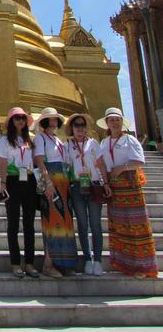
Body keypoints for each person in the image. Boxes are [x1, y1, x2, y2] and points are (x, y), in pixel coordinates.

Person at [98, 107, 158, 279]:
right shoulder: (105, 142)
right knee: (119, 225)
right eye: (111, 120)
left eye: (117, 119)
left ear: (121, 122)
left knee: (136, 224)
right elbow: (102, 163)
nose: (115, 123)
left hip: (129, 184)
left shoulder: (129, 139)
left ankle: (141, 266)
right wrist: (106, 182)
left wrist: (122, 168)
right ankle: (123, 263)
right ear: (107, 123)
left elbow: (139, 161)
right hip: (114, 186)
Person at [65, 113, 111, 276]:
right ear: (71, 127)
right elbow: (66, 167)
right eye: (76, 125)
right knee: (83, 225)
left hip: (93, 185)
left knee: (96, 225)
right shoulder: (67, 145)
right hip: (77, 186)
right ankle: (87, 259)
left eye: (82, 125)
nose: (80, 128)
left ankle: (97, 260)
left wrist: (105, 182)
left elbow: (101, 164)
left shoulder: (93, 143)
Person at [34, 107, 77, 278]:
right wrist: (48, 183)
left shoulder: (58, 140)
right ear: (44, 121)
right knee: (52, 222)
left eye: (55, 119)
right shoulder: (40, 138)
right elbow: (39, 161)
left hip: (64, 182)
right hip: (51, 182)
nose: (53, 122)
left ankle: (64, 263)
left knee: (65, 222)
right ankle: (48, 264)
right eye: (49, 119)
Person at [0, 107, 39, 278]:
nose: (20, 121)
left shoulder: (31, 140)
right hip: (13, 182)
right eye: (16, 118)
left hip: (29, 181)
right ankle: (15, 263)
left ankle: (29, 263)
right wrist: (2, 183)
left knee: (29, 225)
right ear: (11, 122)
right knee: (13, 224)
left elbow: (35, 161)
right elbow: (3, 163)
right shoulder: (5, 140)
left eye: (22, 118)